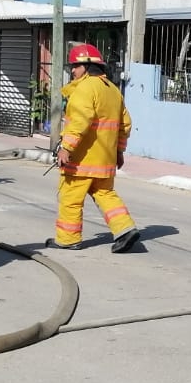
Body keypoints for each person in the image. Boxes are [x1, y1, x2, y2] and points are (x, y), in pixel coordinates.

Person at [53, 43, 138, 252]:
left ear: (86, 66)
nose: (72, 70)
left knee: (70, 198)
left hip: (82, 160)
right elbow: (124, 124)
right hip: (106, 159)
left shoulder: (85, 88)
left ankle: (67, 239)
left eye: (75, 66)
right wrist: (118, 151)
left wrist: (66, 148)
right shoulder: (113, 90)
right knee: (105, 194)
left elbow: (79, 122)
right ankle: (125, 229)